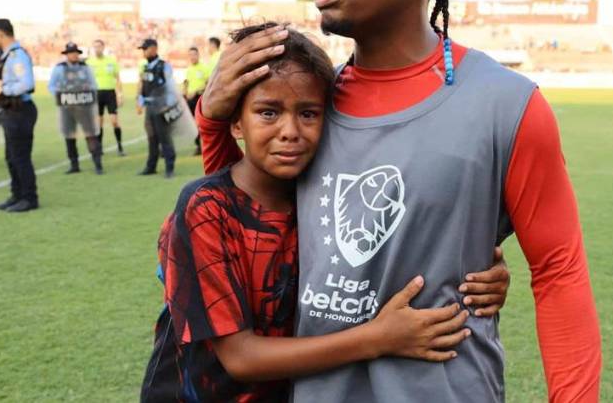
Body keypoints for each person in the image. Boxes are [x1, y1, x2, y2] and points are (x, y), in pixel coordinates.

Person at [197, 0, 600, 402]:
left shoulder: (507, 104)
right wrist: (212, 119)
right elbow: (237, 218)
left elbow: (559, 272)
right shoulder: (310, 112)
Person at [142, 25, 500, 402]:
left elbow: (403, 244)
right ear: (235, 122)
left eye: (309, 113)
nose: (290, 131)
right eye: (268, 112)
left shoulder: (325, 197)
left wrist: (479, 270)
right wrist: (379, 338)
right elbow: (240, 358)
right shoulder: (205, 207)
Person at [0, 18, 39, 213]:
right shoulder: (9, 55)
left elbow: (27, 84)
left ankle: (29, 198)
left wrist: (2, 89)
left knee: (20, 157)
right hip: (11, 110)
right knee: (11, 156)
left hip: (20, 110)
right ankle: (17, 195)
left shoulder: (17, 55)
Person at [49, 42, 103, 175]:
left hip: (84, 106)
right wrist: (60, 93)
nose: (73, 55)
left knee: (90, 135)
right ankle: (74, 164)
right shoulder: (59, 68)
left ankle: (97, 164)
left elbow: (93, 85)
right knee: (70, 136)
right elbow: (52, 86)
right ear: (66, 55)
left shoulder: (86, 68)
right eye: (71, 53)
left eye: (75, 53)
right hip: (67, 106)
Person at [137, 38, 177, 178]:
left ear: (153, 48)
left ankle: (169, 167)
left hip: (161, 107)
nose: (143, 52)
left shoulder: (164, 66)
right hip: (150, 108)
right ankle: (151, 166)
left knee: (164, 137)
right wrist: (140, 101)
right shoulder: (146, 67)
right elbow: (144, 86)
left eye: (145, 49)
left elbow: (171, 87)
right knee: (152, 138)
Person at [88, 39, 125, 156]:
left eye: (99, 46)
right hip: (96, 94)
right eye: (95, 47)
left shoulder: (111, 61)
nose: (97, 49)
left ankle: (120, 146)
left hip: (110, 93)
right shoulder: (89, 63)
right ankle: (99, 148)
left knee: (114, 121)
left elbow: (117, 78)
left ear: (103, 47)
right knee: (99, 123)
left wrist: (120, 94)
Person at [183, 46, 210, 155]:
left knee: (200, 123)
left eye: (194, 54)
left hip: (199, 98)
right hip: (189, 99)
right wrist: (184, 92)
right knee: (191, 124)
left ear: (198, 55)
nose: (192, 57)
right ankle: (198, 145)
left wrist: (197, 91)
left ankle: (201, 146)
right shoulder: (189, 69)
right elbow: (186, 82)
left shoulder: (204, 68)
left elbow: (209, 84)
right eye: (190, 55)